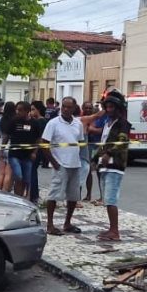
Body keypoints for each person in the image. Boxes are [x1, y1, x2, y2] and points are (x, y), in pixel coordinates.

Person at [41, 97, 86, 236]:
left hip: (75, 163)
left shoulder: (78, 124)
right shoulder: (53, 123)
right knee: (54, 194)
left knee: (73, 196)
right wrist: (54, 163)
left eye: (69, 107)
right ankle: (50, 224)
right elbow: (44, 144)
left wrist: (83, 160)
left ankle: (67, 223)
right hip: (60, 163)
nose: (65, 109)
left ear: (74, 108)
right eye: (63, 107)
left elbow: (80, 142)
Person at [94, 91, 130, 241]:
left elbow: (122, 143)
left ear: (118, 108)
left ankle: (115, 231)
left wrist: (109, 153)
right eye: (107, 107)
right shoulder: (107, 124)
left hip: (115, 165)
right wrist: (95, 158)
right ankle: (111, 228)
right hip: (103, 165)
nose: (109, 110)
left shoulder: (123, 124)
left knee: (110, 199)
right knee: (107, 199)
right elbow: (103, 143)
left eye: (112, 107)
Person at [7, 102, 41, 197]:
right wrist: (2, 148)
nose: (18, 112)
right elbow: (7, 135)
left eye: (20, 110)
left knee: (27, 179)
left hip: (28, 155)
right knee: (18, 176)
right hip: (14, 154)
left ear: (27, 111)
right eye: (17, 110)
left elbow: (38, 139)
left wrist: (34, 152)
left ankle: (25, 197)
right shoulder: (14, 121)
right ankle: (17, 196)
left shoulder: (34, 123)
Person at [0, 101, 16, 192]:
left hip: (1, 144)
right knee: (8, 174)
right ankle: (5, 191)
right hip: (11, 145)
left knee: (1, 172)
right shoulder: (15, 120)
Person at [81, 101, 100, 204]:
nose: (88, 110)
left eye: (90, 108)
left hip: (95, 145)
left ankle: (89, 194)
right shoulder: (80, 119)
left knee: (94, 171)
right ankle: (80, 194)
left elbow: (101, 130)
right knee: (84, 170)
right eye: (86, 108)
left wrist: (92, 129)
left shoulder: (96, 119)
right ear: (82, 108)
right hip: (84, 146)